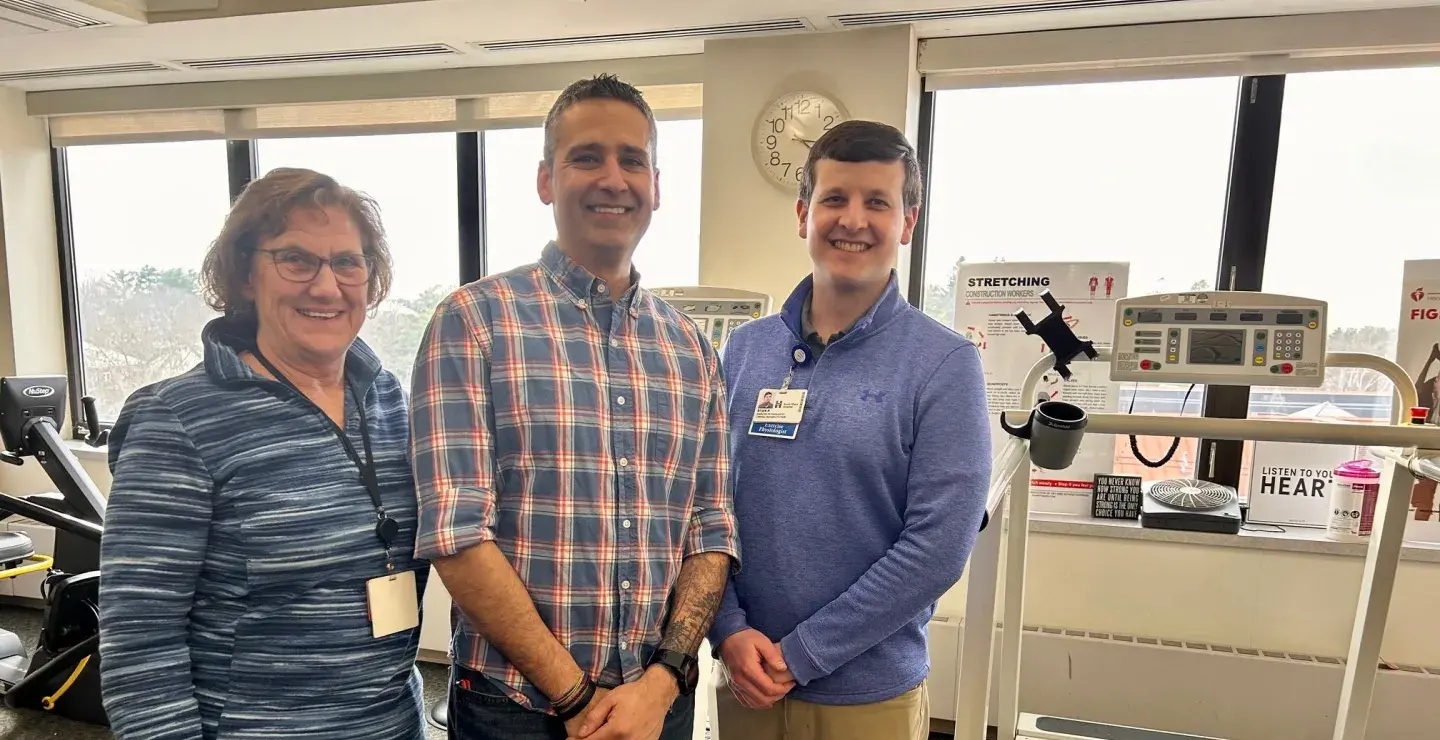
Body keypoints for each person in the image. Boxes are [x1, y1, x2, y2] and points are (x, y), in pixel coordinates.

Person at [410, 74, 740, 740]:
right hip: (517, 712)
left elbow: (711, 530)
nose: (612, 178)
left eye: (632, 160)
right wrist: (578, 699)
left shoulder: (691, 351)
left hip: (658, 708)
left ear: (655, 184)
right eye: (586, 157)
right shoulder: (474, 323)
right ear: (544, 180)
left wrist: (663, 678)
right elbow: (457, 535)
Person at [97, 167, 428, 740]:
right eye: (297, 260)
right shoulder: (176, 420)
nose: (327, 287)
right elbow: (139, 643)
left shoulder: (386, 398)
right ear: (245, 275)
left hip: (395, 724)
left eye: (348, 262)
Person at [707, 120, 992, 740]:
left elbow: (937, 549)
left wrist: (803, 654)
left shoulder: (944, 364)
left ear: (907, 223)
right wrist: (727, 631)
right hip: (745, 680)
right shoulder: (746, 351)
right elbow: (708, 508)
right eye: (835, 198)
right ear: (804, 213)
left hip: (867, 698)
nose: (853, 220)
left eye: (877, 202)